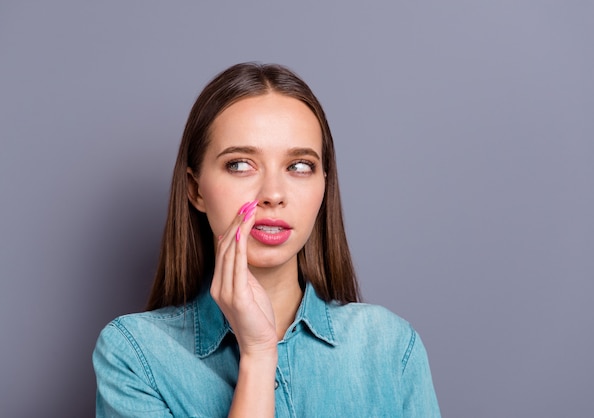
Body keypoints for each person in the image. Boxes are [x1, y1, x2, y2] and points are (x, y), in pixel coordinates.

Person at [93, 62, 441, 417]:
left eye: (299, 166)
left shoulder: (390, 345)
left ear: (324, 183)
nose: (273, 194)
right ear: (195, 189)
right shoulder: (136, 353)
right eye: (241, 164)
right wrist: (258, 355)